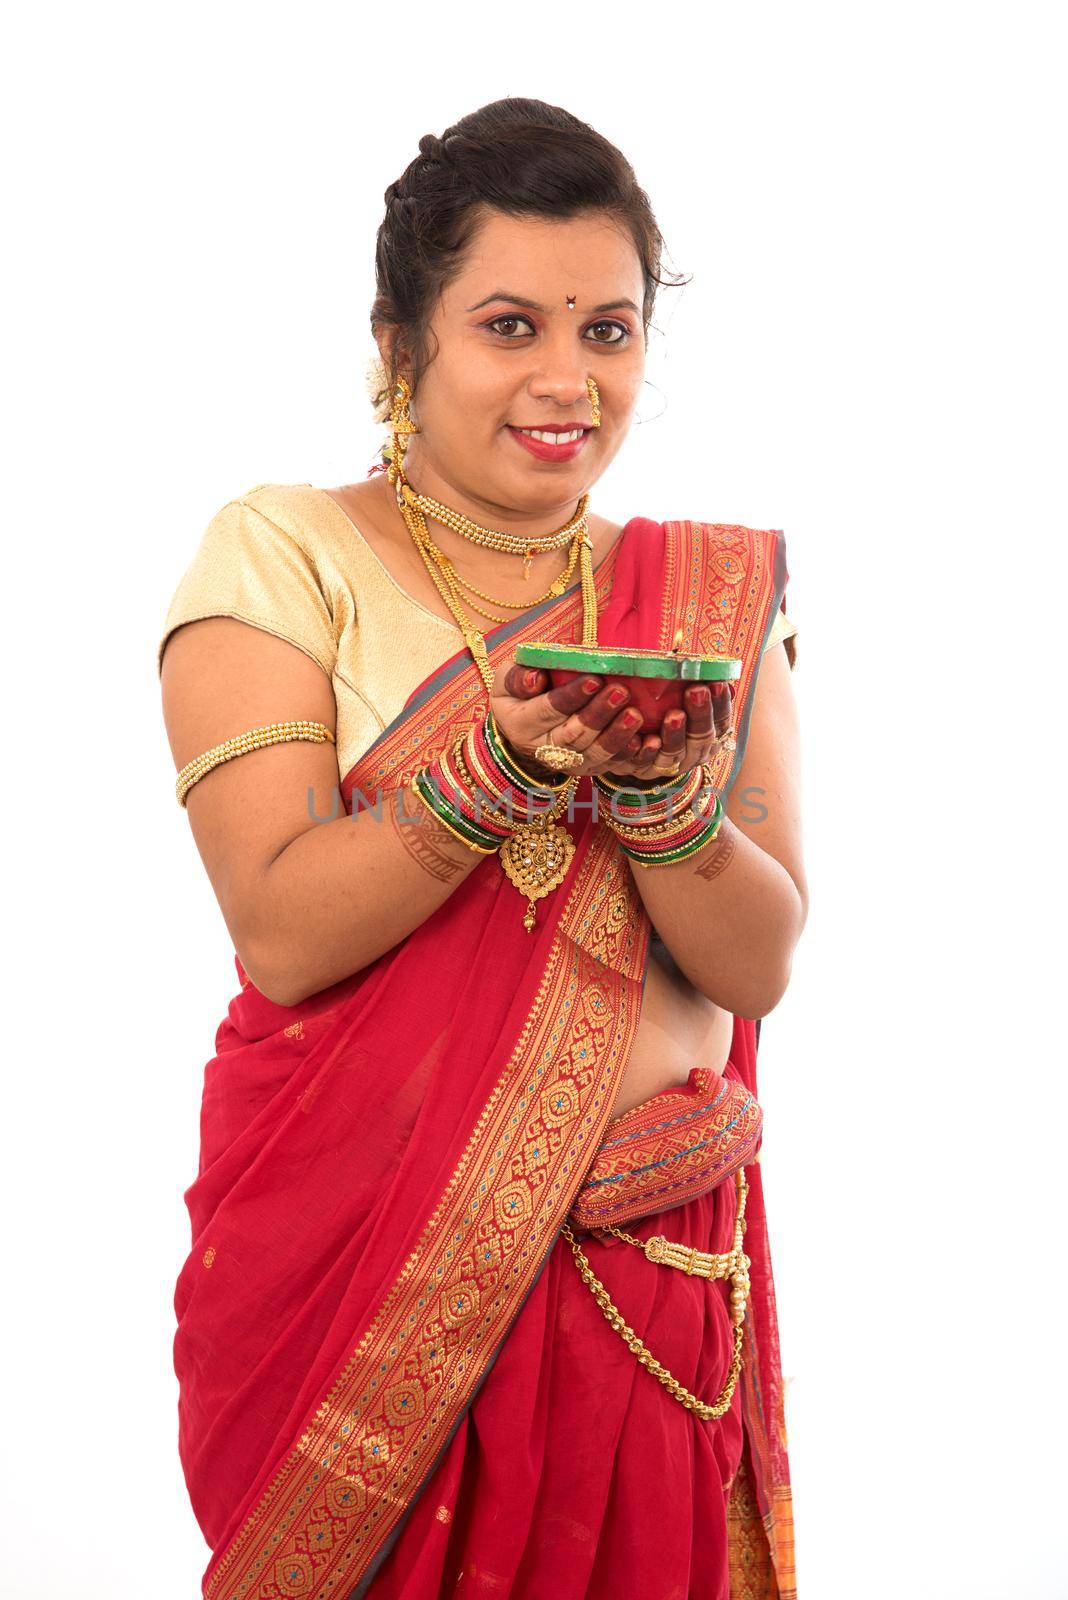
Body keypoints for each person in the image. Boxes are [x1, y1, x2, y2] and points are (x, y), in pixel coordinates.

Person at [158, 97, 807, 1600]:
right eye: (510, 324)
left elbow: (758, 961)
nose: (567, 380)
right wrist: (499, 766)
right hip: (355, 1275)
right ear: (401, 344)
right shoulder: (283, 554)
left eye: (611, 329)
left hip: (641, 1284)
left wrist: (659, 807)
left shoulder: (703, 598)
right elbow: (283, 929)